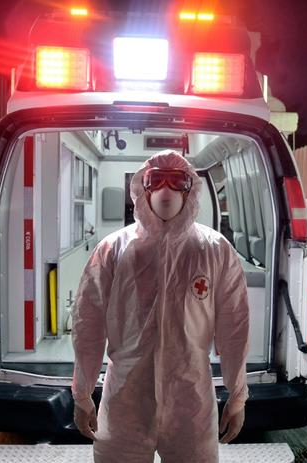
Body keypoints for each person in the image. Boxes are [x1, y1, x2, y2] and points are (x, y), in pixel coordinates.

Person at [71, 149, 250, 462]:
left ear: (190, 188)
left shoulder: (215, 249)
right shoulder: (114, 249)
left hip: (190, 402)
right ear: (143, 187)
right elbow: (89, 323)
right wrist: (82, 392)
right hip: (126, 398)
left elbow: (234, 325)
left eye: (177, 179)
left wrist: (237, 395)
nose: (166, 188)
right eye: (156, 179)